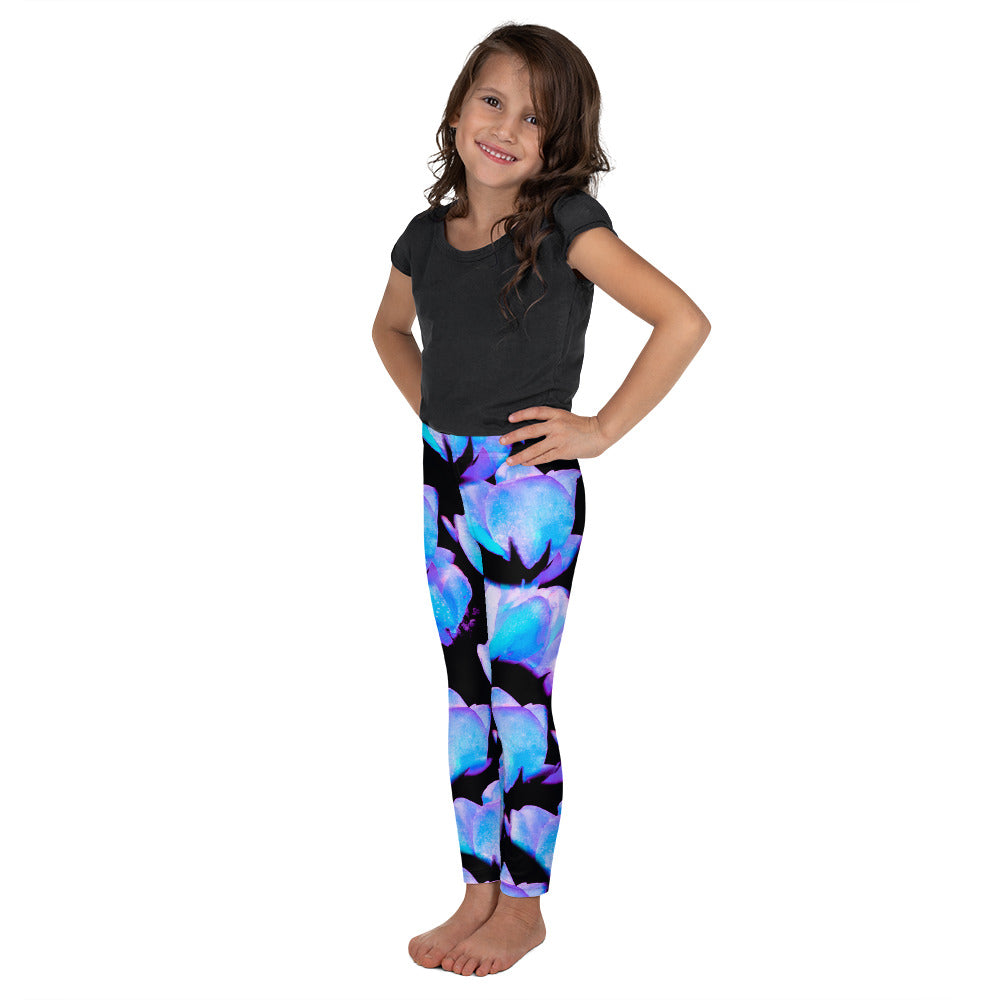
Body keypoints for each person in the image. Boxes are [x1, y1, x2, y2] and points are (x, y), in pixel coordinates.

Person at [372, 22, 711, 978]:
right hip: (445, 481)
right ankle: (477, 885)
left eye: (536, 119)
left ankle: (523, 905)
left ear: (561, 144)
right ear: (457, 108)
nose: (508, 129)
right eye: (494, 101)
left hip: (529, 491)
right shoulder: (423, 238)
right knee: (465, 690)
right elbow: (388, 330)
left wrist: (599, 428)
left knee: (519, 696)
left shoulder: (567, 224)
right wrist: (439, 413)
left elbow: (683, 320)